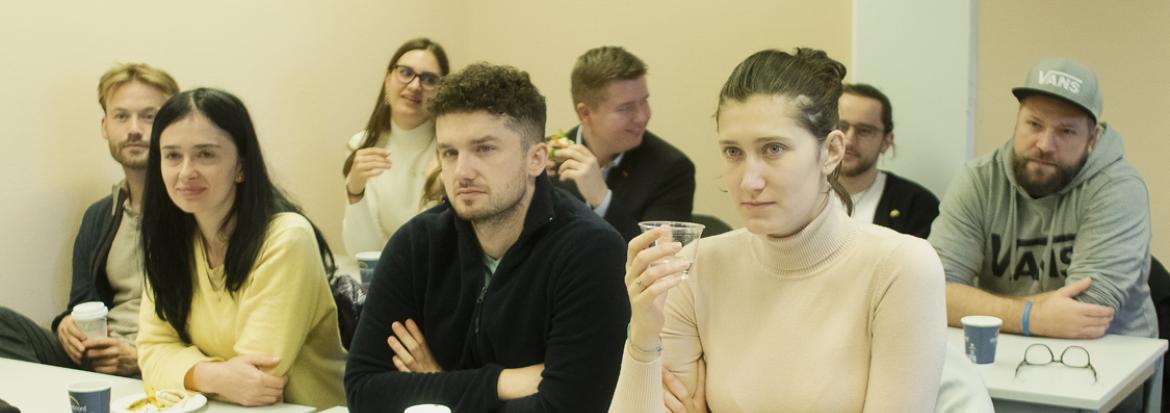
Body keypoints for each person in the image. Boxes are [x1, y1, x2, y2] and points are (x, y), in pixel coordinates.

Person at [610, 48, 946, 412]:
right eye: (733, 152)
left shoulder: (900, 268)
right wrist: (644, 333)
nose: (749, 181)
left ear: (831, 151)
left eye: (773, 148)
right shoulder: (697, 264)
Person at [345, 63, 629, 412]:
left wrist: (436, 385)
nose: (462, 172)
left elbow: (567, 407)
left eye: (485, 149)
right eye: (449, 152)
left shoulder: (590, 250)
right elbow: (363, 392)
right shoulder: (415, 245)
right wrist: (502, 382)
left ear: (536, 159)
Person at [136, 88, 346, 409]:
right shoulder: (170, 240)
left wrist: (182, 370)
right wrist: (214, 377)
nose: (185, 171)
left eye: (206, 154)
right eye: (172, 155)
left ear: (241, 166)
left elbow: (259, 379)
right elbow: (151, 351)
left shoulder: (286, 238)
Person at [930, 59, 1156, 340]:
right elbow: (930, 292)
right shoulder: (979, 180)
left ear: (1092, 138)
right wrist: (1029, 317)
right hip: (1007, 346)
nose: (1045, 145)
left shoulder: (1118, 187)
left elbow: (1086, 312)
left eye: (1066, 131)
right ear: (1017, 122)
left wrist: (974, 303)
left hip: (1111, 355)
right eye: (1034, 124)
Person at [0, 63, 178, 376]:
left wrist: (142, 356)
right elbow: (82, 304)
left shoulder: (194, 208)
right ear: (105, 126)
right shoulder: (99, 215)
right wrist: (66, 324)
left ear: (172, 124)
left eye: (149, 116)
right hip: (96, 355)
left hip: (162, 361)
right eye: (121, 116)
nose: (134, 128)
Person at [549, 46, 695, 240]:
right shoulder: (541, 160)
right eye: (625, 108)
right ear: (585, 113)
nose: (642, 117)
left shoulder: (671, 169)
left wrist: (602, 200)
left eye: (644, 102)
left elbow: (660, 257)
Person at [342, 37, 450, 255]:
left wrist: (439, 195)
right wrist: (355, 191)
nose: (415, 86)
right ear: (387, 79)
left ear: (442, 90)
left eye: (429, 79)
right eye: (406, 73)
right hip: (381, 279)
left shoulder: (452, 150)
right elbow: (362, 254)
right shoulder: (362, 146)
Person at [837, 83, 939, 238]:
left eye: (864, 131)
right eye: (841, 126)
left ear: (886, 141)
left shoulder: (916, 205)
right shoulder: (800, 193)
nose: (849, 141)